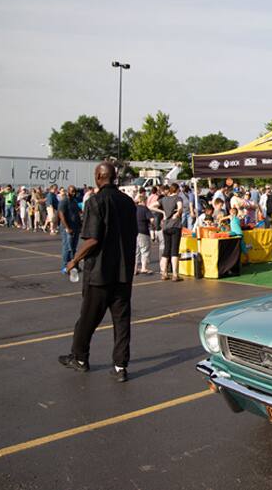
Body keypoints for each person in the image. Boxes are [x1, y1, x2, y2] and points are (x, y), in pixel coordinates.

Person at [60, 162, 138, 383]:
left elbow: (93, 239)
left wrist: (73, 260)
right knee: (121, 322)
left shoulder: (96, 201)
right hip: (123, 273)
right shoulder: (128, 202)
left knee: (87, 319)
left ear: (98, 177)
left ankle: (80, 358)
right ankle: (120, 366)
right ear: (113, 177)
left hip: (100, 273)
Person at [158, 183, 184, 282]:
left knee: (166, 250)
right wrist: (177, 213)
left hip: (165, 226)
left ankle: (164, 273)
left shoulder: (164, 199)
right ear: (177, 190)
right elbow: (180, 207)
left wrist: (163, 212)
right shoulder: (178, 198)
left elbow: (151, 205)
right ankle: (175, 274)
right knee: (174, 250)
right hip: (175, 226)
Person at [58, 185, 82, 273]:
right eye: (72, 191)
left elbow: (78, 213)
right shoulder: (64, 201)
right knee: (67, 248)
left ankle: (73, 265)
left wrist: (80, 226)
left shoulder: (74, 201)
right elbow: (61, 215)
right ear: (68, 191)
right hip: (67, 228)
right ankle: (65, 266)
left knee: (74, 248)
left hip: (75, 228)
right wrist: (67, 227)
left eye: (75, 191)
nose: (74, 193)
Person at [134, 194, 154, 274]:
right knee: (144, 250)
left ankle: (134, 269)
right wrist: (152, 225)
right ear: (143, 201)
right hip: (143, 231)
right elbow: (152, 219)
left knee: (136, 251)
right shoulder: (145, 209)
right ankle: (144, 268)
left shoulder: (133, 208)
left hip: (134, 231)